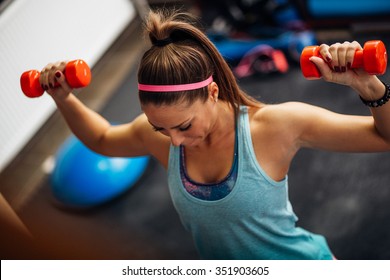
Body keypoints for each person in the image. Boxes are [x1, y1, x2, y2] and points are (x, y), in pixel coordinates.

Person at [39, 9, 390, 260]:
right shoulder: (160, 137)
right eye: (161, 128)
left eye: (184, 126)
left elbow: (384, 138)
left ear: (211, 93)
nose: (172, 141)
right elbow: (100, 140)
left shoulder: (276, 125)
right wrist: (62, 96)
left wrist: (369, 86)